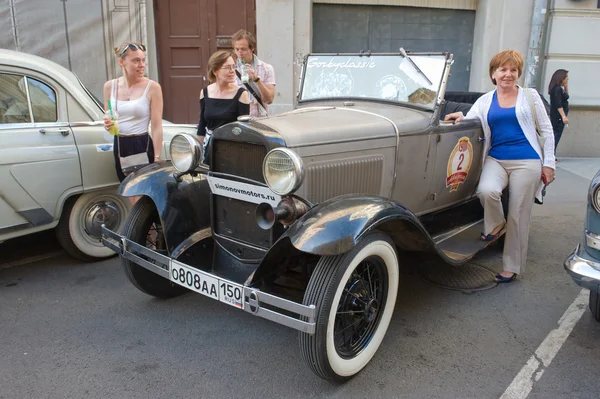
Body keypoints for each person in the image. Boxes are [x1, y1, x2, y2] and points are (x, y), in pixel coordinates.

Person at [444, 50, 556, 283]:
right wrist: (458, 116)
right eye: (503, 70)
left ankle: (511, 267)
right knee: (486, 190)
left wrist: (549, 164)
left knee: (518, 216)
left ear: (518, 73)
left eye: (513, 70)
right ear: (493, 74)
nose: (508, 74)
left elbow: (547, 130)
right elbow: (472, 118)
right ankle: (495, 226)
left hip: (527, 161)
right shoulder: (485, 100)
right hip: (496, 158)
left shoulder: (530, 96)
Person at [103, 42, 164, 183]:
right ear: (121, 62)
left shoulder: (153, 87)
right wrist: (108, 125)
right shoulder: (109, 87)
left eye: (143, 60)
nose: (141, 65)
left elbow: (156, 126)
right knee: (128, 190)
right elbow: (109, 120)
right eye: (136, 60)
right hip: (120, 143)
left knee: (144, 191)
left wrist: (157, 157)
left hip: (142, 142)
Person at [197, 50, 250, 163]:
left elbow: (243, 130)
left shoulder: (241, 94)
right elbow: (202, 124)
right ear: (215, 70)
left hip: (232, 150)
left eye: (233, 67)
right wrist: (198, 152)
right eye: (227, 67)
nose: (232, 71)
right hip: (209, 148)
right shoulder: (205, 92)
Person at [231, 29, 275, 117]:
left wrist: (257, 79)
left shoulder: (266, 68)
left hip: (259, 117)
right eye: (237, 49)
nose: (240, 53)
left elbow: (269, 100)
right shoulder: (231, 68)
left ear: (252, 48)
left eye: (243, 49)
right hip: (237, 117)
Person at [548, 69, 569, 156]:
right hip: (558, 116)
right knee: (556, 134)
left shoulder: (560, 89)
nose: (567, 79)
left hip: (559, 115)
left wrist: (566, 86)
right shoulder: (556, 89)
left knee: (557, 134)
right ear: (561, 78)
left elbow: (567, 96)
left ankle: (553, 154)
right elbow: (558, 104)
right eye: (566, 77)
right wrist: (563, 116)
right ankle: (551, 155)